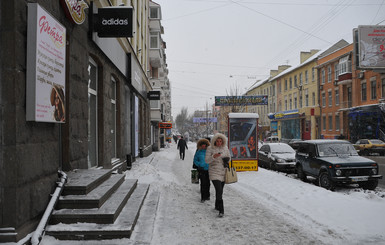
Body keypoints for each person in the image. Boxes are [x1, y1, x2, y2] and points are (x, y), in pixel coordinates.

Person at [205, 133, 231, 217]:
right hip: (214, 171)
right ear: (214, 141)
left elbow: (229, 157)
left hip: (223, 171)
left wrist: (227, 159)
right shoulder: (210, 148)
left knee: (220, 191)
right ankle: (221, 210)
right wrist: (213, 156)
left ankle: (217, 205)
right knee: (219, 190)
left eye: (221, 141)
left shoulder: (225, 148)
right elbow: (207, 161)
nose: (219, 143)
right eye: (217, 141)